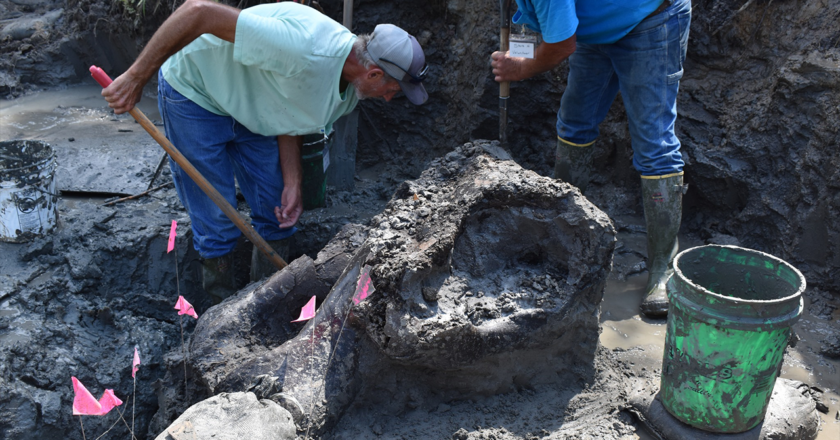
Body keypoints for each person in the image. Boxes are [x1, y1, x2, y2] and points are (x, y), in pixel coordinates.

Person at [102, 0, 429, 303]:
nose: (388, 98)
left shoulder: (347, 89)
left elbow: (292, 111)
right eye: (392, 89)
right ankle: (220, 318)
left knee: (279, 214)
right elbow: (198, 11)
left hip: (253, 104)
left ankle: (263, 307)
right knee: (217, 222)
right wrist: (135, 77)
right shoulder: (302, 49)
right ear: (373, 73)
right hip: (197, 93)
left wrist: (292, 181)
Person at [491, 0, 691, 318]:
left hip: (651, 21)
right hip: (597, 31)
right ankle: (562, 236)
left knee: (653, 143)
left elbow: (561, 44)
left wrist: (521, 68)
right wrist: (518, 54)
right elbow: (525, 15)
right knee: (574, 124)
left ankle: (663, 271)